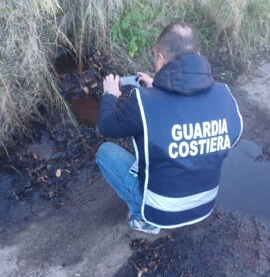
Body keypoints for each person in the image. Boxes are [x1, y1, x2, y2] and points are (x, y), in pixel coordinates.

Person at [96, 23, 243, 234]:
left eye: (155, 56)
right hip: (204, 204)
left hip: (162, 210)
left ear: (161, 59)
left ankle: (143, 218)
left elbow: (107, 126)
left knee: (105, 152)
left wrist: (109, 94)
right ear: (197, 53)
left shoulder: (144, 102)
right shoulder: (224, 96)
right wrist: (158, 87)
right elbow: (230, 138)